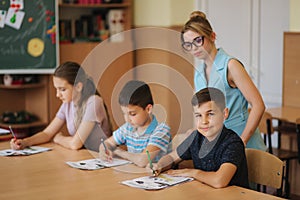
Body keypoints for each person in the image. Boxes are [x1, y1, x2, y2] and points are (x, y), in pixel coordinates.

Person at [181, 11, 266, 150]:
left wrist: (242, 140)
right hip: (219, 146)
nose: (194, 48)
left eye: (198, 40)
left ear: (212, 36)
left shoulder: (231, 66)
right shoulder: (198, 73)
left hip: (245, 144)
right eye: (188, 45)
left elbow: (258, 105)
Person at [150, 87, 249, 189]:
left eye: (210, 114)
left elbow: (219, 181)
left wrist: (192, 172)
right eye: (199, 115)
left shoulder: (233, 143)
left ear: (224, 113)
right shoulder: (196, 137)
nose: (204, 121)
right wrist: (159, 165)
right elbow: (171, 157)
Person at [10, 61, 112, 152]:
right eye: (56, 89)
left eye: (62, 89)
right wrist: (24, 142)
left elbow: (75, 144)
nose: (57, 95)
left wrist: (58, 138)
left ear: (78, 86)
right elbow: (47, 134)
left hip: (101, 158)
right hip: (84, 158)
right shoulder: (67, 104)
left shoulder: (94, 102)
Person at [99, 80, 171, 167]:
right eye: (124, 113)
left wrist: (117, 151)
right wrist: (104, 151)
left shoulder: (161, 130)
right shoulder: (128, 128)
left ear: (148, 109)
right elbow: (105, 144)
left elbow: (143, 160)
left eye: (132, 114)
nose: (127, 119)